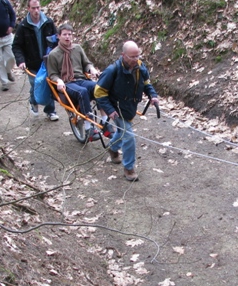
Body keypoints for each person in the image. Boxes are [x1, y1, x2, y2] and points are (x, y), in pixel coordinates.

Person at [95, 41, 159, 181]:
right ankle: (129, 168)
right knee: (129, 135)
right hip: (116, 108)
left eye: (137, 56)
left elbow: (147, 83)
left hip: (130, 106)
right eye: (132, 57)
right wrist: (109, 110)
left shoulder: (140, 66)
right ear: (123, 55)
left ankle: (112, 147)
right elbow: (99, 92)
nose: (135, 59)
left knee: (122, 132)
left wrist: (152, 95)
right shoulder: (112, 70)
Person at [12, 0, 59, 120]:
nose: (36, 11)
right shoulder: (23, 26)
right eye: (33, 8)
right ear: (28, 9)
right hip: (31, 63)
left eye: (38, 7)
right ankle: (33, 101)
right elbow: (16, 46)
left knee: (48, 84)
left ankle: (50, 111)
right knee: (36, 84)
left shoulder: (48, 22)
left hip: (47, 62)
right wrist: (20, 61)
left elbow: (56, 40)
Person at [47, 24, 100, 133]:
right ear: (58, 36)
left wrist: (92, 69)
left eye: (69, 34)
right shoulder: (53, 54)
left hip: (81, 79)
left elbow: (86, 63)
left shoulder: (77, 48)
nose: (67, 37)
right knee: (82, 92)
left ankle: (105, 118)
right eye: (64, 34)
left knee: (99, 87)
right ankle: (88, 127)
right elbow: (52, 74)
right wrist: (59, 80)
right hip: (67, 83)